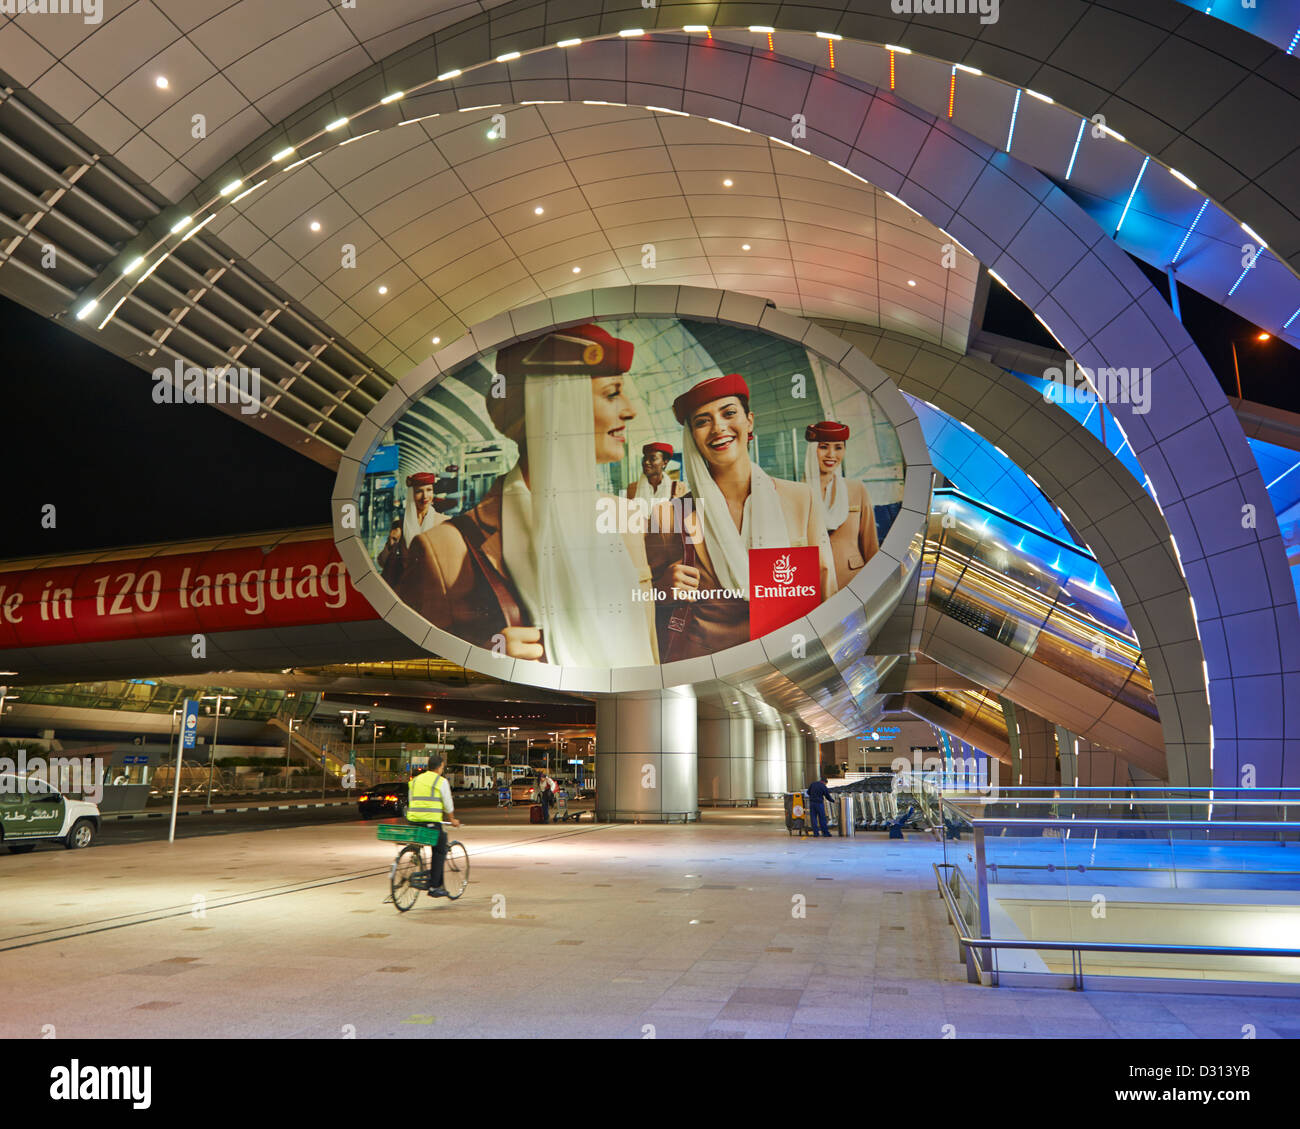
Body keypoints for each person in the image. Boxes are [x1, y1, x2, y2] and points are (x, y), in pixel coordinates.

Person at [398, 324, 658, 667]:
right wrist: (488, 652)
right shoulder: (445, 550)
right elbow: (410, 664)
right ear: (557, 404)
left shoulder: (625, 521)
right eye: (612, 393)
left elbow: (650, 652)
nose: (629, 411)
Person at [645, 373, 838, 660]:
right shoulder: (669, 515)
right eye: (702, 421)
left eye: (729, 413)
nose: (718, 427)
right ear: (692, 437)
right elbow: (644, 598)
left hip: (784, 657)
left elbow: (826, 585)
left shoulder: (800, 498)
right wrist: (662, 588)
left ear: (749, 420)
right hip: (702, 664)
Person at [804, 421, 879, 590]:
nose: (831, 454)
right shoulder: (797, 492)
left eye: (838, 447)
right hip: (813, 583)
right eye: (824, 447)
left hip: (853, 580)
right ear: (811, 450)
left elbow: (870, 544)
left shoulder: (856, 489)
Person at [406, 752, 461, 897]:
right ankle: (434, 887)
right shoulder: (440, 781)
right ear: (440, 767)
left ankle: (420, 865)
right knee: (440, 850)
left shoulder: (415, 780)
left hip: (413, 822)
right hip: (431, 823)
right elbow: (448, 804)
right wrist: (453, 819)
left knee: (425, 844)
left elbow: (411, 800)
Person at [379, 471, 441, 587]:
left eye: (429, 490)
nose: (425, 496)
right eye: (419, 491)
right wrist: (390, 544)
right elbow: (382, 562)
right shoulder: (400, 525)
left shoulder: (443, 522)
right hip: (408, 589)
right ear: (411, 495)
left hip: (434, 589)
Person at [807, 773, 836, 838]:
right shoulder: (823, 786)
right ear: (825, 782)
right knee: (822, 818)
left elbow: (808, 792)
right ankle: (825, 833)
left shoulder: (813, 784)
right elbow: (827, 796)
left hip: (812, 803)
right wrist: (833, 801)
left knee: (813, 818)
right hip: (819, 804)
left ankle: (816, 833)